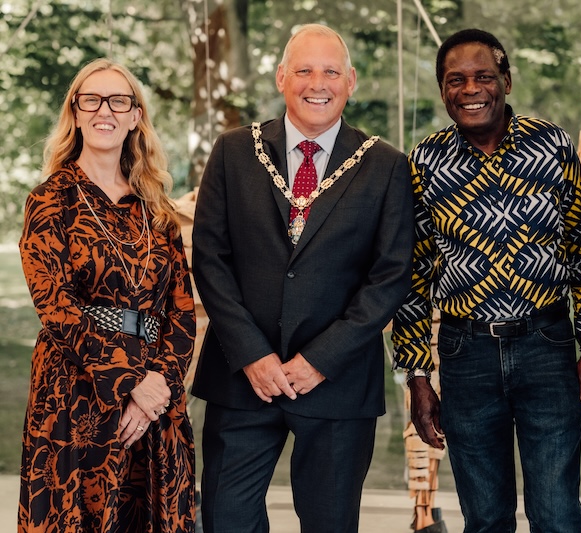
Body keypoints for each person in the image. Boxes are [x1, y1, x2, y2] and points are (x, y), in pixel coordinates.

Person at [190, 24, 414, 533]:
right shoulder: (233, 151)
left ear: (351, 80)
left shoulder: (385, 165)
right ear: (280, 78)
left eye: (331, 71)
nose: (319, 82)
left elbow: (390, 276)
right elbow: (210, 258)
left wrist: (320, 360)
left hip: (335, 383)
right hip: (243, 380)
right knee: (226, 519)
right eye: (304, 70)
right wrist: (252, 354)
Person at [392, 28, 581, 533]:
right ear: (442, 90)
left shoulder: (550, 144)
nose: (470, 89)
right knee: (485, 518)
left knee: (557, 514)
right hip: (467, 355)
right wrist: (417, 376)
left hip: (548, 345)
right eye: (455, 80)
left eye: (484, 76)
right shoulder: (424, 162)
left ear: (506, 80)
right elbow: (412, 276)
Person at [17, 58, 197, 532]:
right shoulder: (51, 199)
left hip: (155, 396)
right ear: (75, 113)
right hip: (76, 390)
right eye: (91, 99)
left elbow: (181, 312)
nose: (105, 111)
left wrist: (155, 389)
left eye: (119, 100)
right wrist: (128, 381)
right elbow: (55, 307)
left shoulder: (156, 208)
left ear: (135, 115)